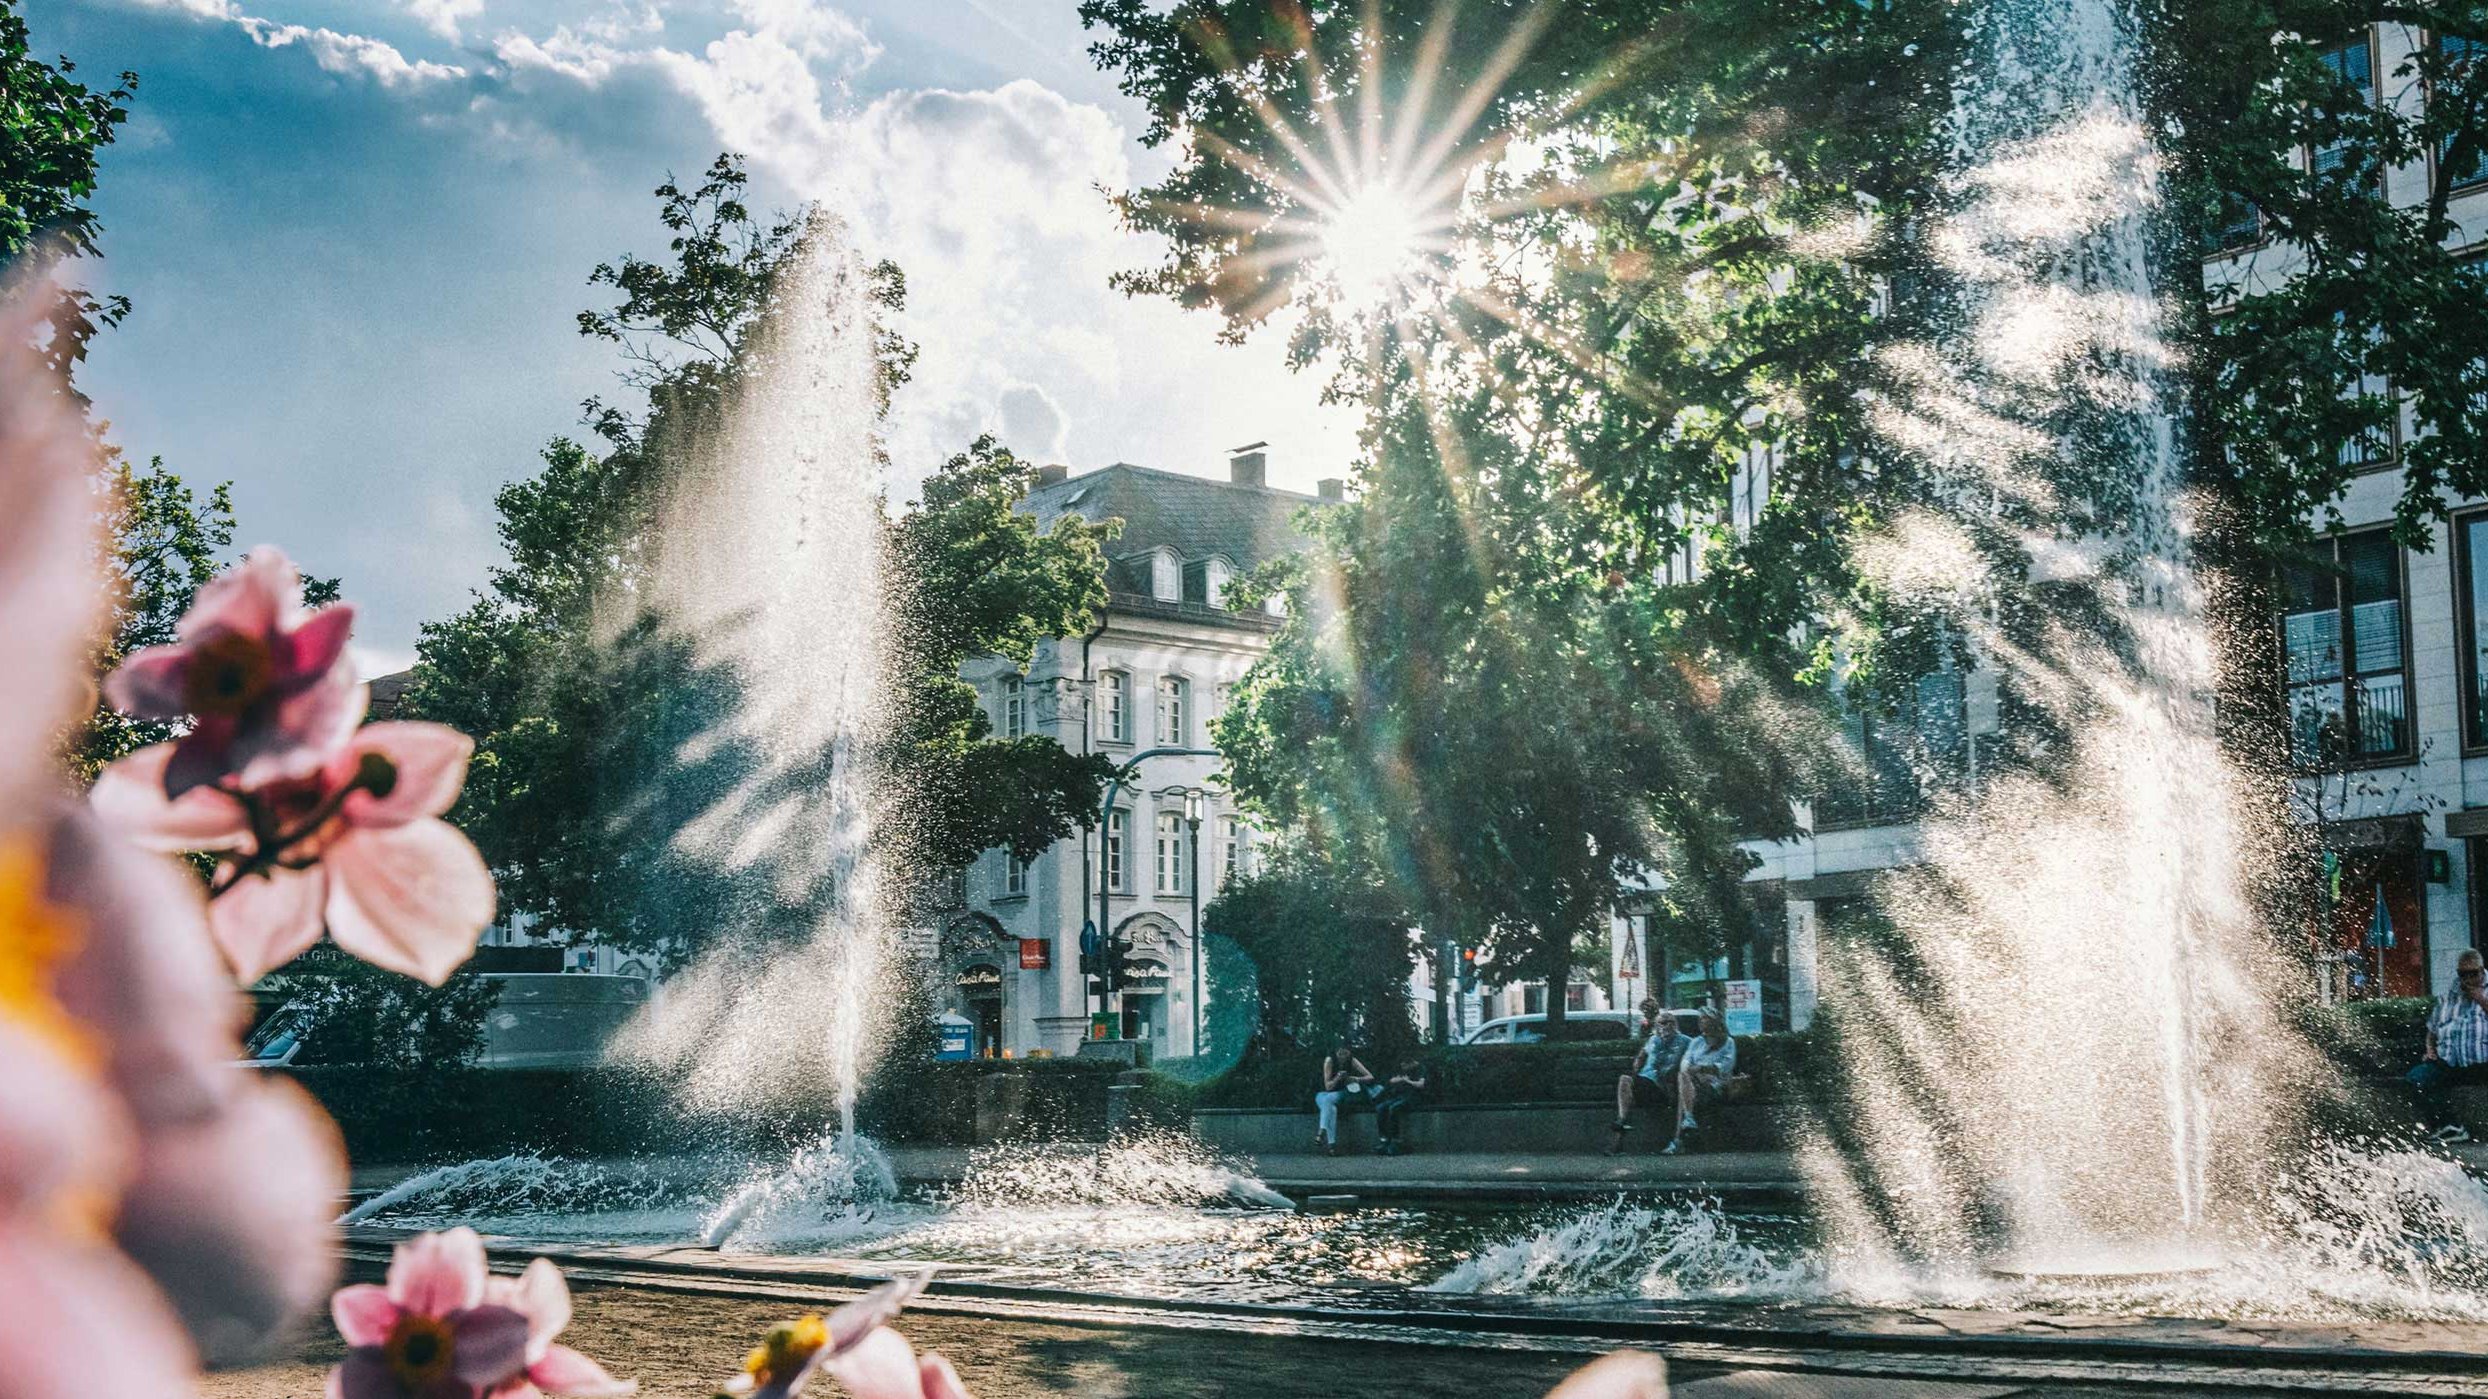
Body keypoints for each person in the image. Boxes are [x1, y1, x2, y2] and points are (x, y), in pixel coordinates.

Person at [2409, 947, 2488, 1144]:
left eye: (2473, 973)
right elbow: (2432, 1030)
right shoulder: (2448, 997)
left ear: (2482, 971)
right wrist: (2430, 1049)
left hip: (2483, 1063)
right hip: (2450, 1062)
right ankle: (2449, 1125)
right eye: (2463, 974)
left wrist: (2480, 999)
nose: (2468, 979)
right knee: (2417, 1078)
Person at [1607, 1002, 1688, 1155]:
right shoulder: (1653, 1040)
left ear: (1676, 1025)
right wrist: (1638, 1061)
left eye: (1670, 1022)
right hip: (1645, 1085)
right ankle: (1621, 1121)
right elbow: (1641, 1056)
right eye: (1662, 1023)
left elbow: (1689, 1063)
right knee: (1625, 1079)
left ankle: (1619, 1132)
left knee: (1635, 1084)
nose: (1667, 1026)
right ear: (1657, 1026)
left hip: (1663, 1087)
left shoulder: (1685, 1041)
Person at [1661, 1009, 1737, 1155]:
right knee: (1683, 1080)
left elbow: (1726, 1066)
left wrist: (1701, 1069)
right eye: (1700, 1019)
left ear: (1714, 1021)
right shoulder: (1696, 1042)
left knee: (1682, 1095)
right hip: (1694, 1083)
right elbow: (1685, 1063)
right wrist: (1696, 1073)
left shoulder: (1728, 1042)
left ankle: (1679, 1136)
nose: (1701, 1022)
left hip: (1715, 1086)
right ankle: (1687, 1123)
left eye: (1704, 1019)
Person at [1314, 1040, 1374, 1155]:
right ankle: (1331, 1145)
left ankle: (1322, 1133)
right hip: (1323, 1093)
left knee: (1329, 1103)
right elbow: (1328, 1087)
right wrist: (1337, 1078)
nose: (1343, 1057)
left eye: (1345, 1054)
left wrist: (1356, 1079)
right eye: (1340, 1054)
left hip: (1342, 1092)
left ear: (1349, 1052)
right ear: (1336, 1052)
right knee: (1330, 1106)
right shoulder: (1329, 1061)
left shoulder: (1352, 1060)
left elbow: (1370, 1077)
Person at [1373, 1057, 1431, 1155]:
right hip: (1400, 1096)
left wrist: (1407, 1081)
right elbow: (1392, 1080)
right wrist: (1401, 1079)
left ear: (1411, 1063)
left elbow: (1421, 1085)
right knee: (1380, 1108)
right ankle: (1384, 1139)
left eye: (1404, 1066)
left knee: (1394, 1108)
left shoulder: (1421, 1069)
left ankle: (1395, 1140)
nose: (1403, 1068)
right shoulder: (1402, 1069)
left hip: (1413, 1097)